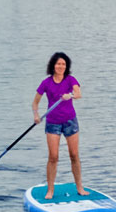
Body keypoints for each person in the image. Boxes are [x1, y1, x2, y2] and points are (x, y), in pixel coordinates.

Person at [34, 52, 83, 201]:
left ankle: (79, 188)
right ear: (53, 66)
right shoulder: (46, 83)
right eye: (58, 64)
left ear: (66, 66)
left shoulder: (70, 79)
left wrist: (71, 96)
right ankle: (50, 190)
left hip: (70, 121)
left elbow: (78, 93)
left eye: (63, 64)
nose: (61, 66)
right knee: (53, 157)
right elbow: (35, 102)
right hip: (53, 122)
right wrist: (36, 115)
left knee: (74, 155)